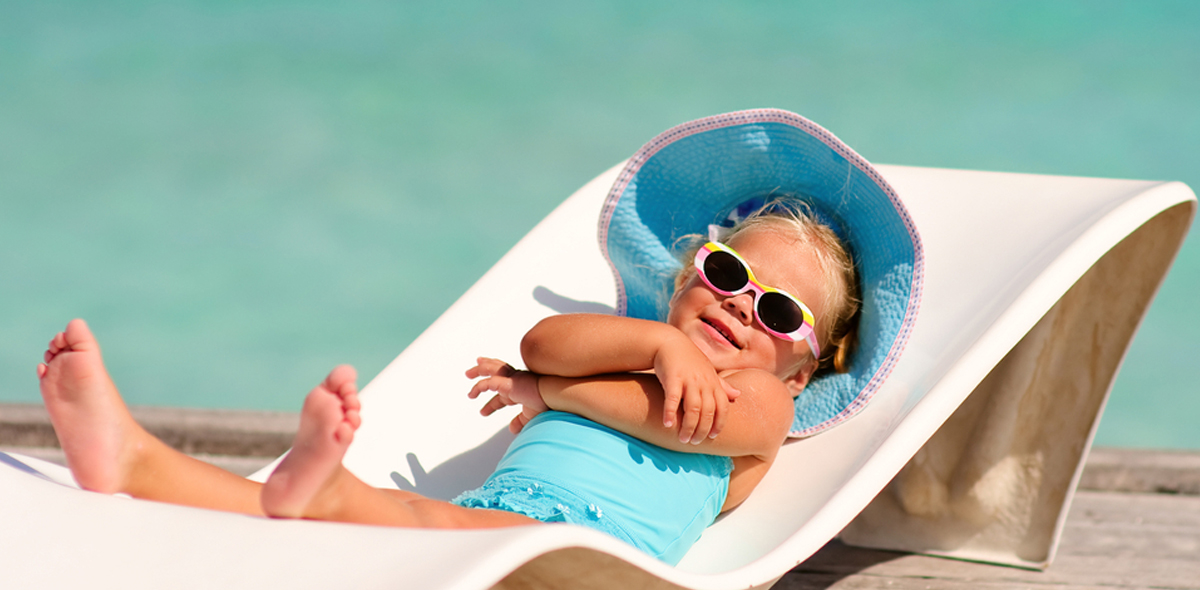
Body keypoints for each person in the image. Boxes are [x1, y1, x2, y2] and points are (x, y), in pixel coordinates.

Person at [36, 201, 859, 564]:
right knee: (393, 523)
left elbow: (685, 425)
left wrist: (553, 393)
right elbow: (542, 341)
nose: (742, 306)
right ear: (687, 275)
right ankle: (137, 463)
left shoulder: (767, 405)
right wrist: (652, 343)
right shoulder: (630, 347)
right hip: (499, 525)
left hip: (594, 561)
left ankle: (323, 492)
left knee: (380, 514)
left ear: (806, 361)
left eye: (780, 313)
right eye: (724, 271)